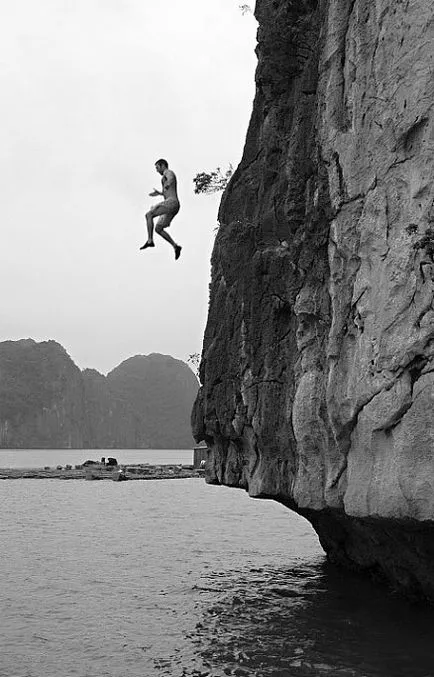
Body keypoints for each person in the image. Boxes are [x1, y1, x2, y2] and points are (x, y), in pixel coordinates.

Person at [140, 159, 182, 260]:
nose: (157, 170)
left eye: (157, 167)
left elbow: (171, 178)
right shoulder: (164, 178)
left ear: (162, 165)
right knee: (158, 228)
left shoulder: (168, 172)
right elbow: (169, 190)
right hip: (173, 206)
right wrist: (160, 193)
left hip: (171, 203)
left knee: (148, 215)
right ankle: (175, 246)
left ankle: (150, 241)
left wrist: (168, 183)